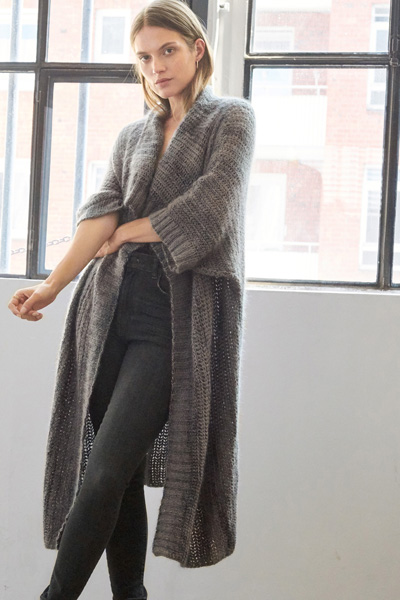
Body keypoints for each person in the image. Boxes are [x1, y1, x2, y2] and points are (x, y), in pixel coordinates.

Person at [8, 0, 256, 598]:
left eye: (168, 51)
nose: (157, 67)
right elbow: (100, 214)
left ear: (197, 48)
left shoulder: (232, 119)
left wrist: (130, 231)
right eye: (144, 58)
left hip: (174, 319)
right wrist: (51, 286)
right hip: (107, 311)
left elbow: (211, 207)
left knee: (103, 473)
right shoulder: (133, 135)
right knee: (114, 477)